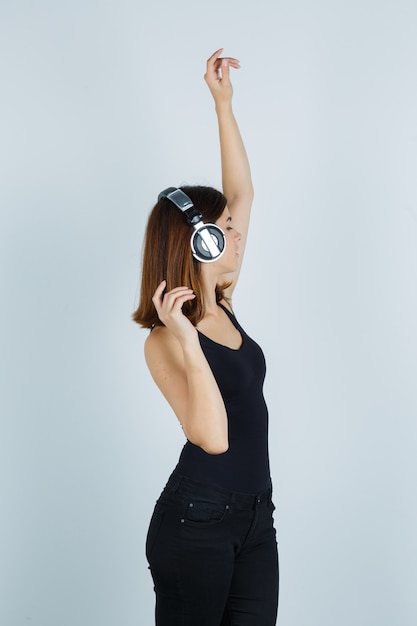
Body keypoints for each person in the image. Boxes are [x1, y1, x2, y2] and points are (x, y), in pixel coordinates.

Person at [133, 48, 279, 626]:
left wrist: (223, 105)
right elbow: (213, 437)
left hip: (255, 516)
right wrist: (190, 343)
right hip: (197, 520)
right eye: (222, 231)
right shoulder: (164, 341)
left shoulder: (223, 296)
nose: (236, 234)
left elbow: (242, 194)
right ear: (200, 247)